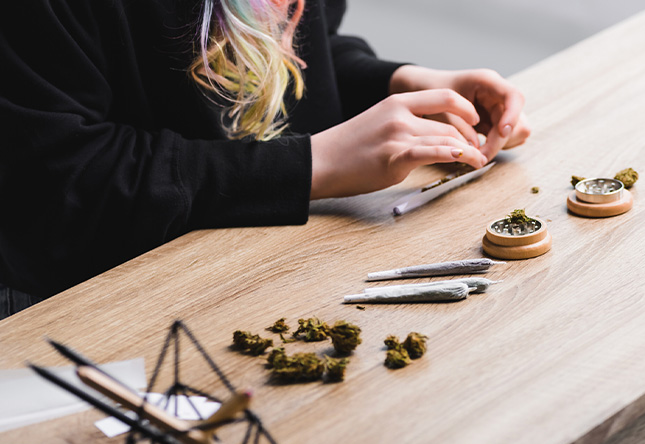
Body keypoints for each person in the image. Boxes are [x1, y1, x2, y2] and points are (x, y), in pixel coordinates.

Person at [0, 0, 530, 318]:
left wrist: (391, 82)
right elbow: (58, 185)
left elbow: (289, 55)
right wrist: (313, 164)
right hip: (73, 304)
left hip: (247, 269)